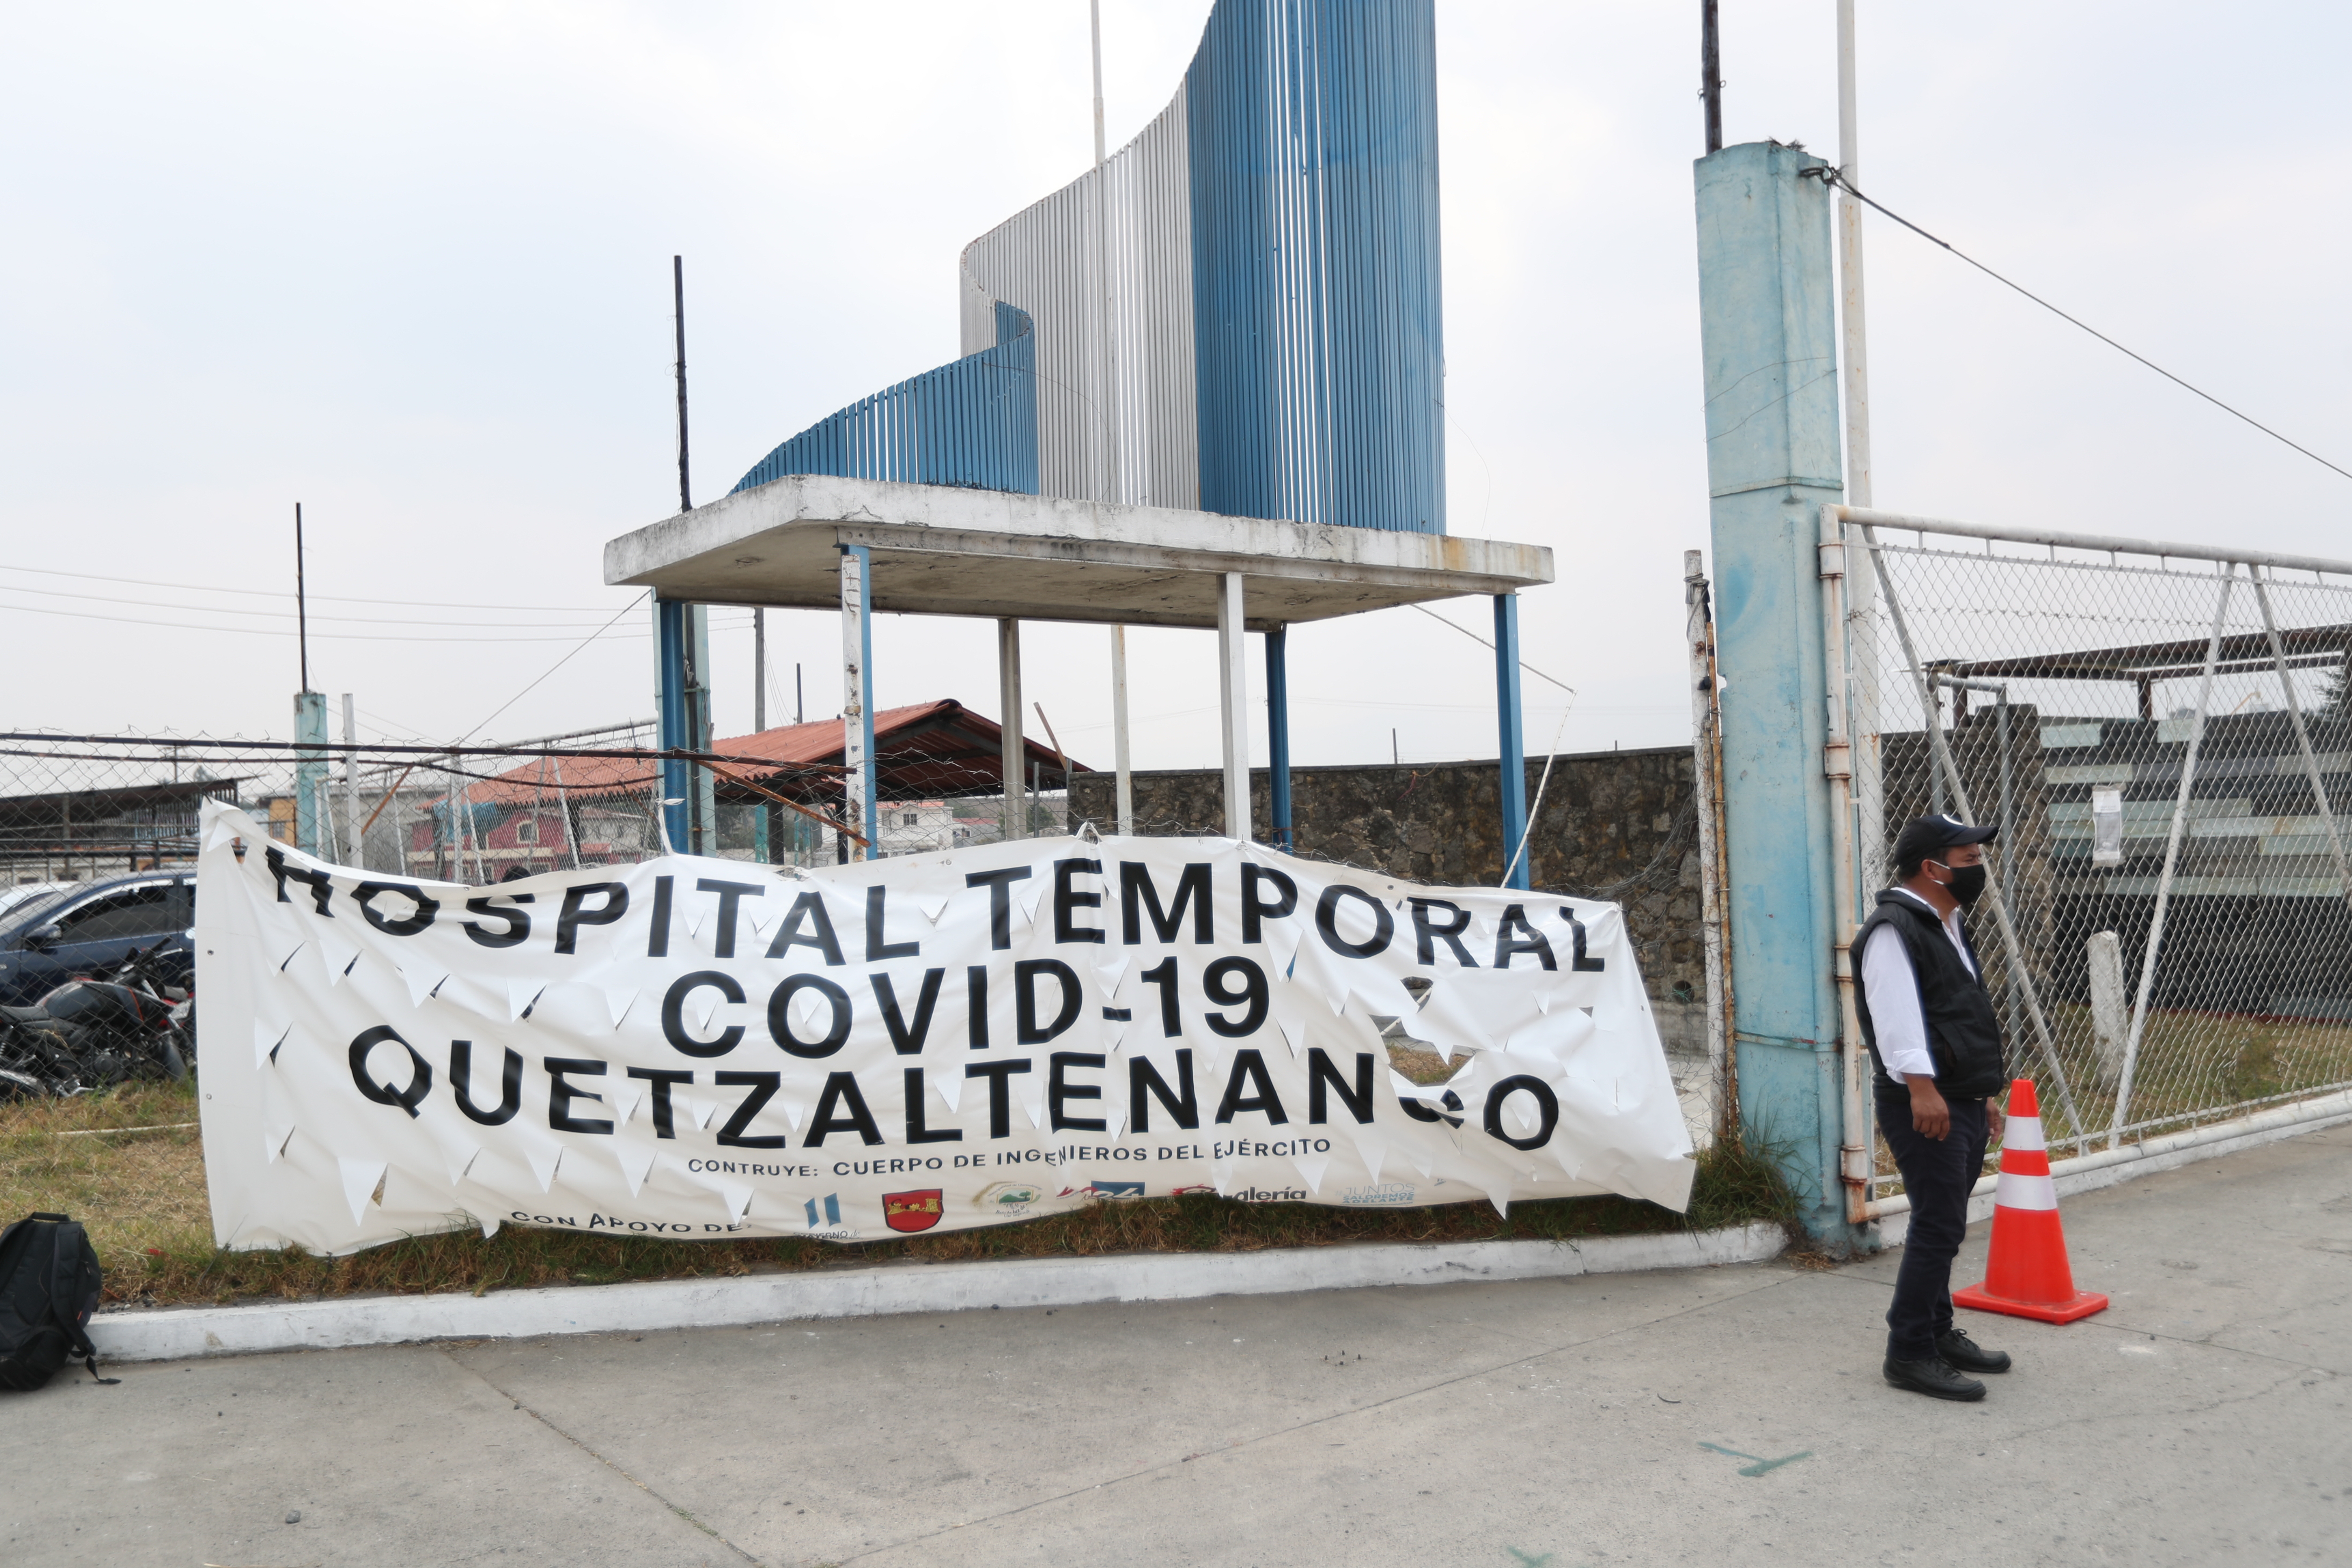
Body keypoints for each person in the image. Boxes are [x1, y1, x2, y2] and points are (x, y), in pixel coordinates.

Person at [1854, 813, 2015, 1402]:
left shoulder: (1946, 919)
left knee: (1944, 1225)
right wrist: (1923, 1089)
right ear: (1933, 867)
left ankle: (1938, 1331)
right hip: (1924, 1100)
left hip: (1958, 1095)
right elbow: (1898, 1018)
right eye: (1971, 860)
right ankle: (1910, 1350)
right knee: (1937, 1224)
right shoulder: (1895, 928)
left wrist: (1982, 1090)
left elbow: (1956, 1011)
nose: (1981, 869)